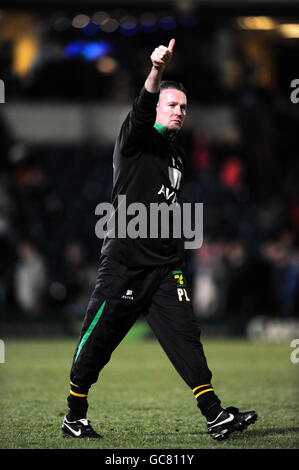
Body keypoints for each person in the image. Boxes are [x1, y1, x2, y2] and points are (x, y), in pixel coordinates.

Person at [61, 39, 257, 441]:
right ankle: (74, 417)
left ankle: (215, 415)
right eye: (172, 105)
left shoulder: (175, 154)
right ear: (156, 108)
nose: (179, 112)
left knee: (186, 339)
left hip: (165, 267)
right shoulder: (135, 140)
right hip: (125, 263)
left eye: (183, 107)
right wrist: (156, 71)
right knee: (98, 342)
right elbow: (140, 108)